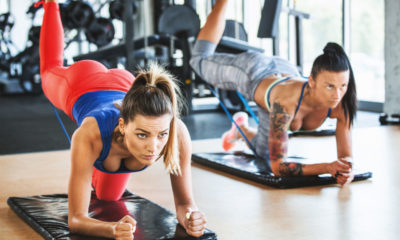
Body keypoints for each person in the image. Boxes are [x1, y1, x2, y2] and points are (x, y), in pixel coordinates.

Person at [38, 0, 206, 239]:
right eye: (142, 135)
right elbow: (76, 220)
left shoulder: (176, 132)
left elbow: (185, 203)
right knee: (48, 71)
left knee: (108, 197)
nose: (154, 147)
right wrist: (111, 229)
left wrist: (192, 217)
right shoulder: (90, 134)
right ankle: (50, 5)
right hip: (79, 83)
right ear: (122, 126)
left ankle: (96, 168)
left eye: (161, 135)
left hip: (125, 84)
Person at [190, 0, 355, 185]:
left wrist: (346, 169)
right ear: (312, 81)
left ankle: (241, 128)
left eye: (343, 86)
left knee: (264, 152)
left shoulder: (342, 104)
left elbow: (346, 157)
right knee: (198, 60)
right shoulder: (285, 105)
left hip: (284, 72)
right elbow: (278, 168)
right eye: (330, 86)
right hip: (254, 72)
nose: (338, 94)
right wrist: (326, 167)